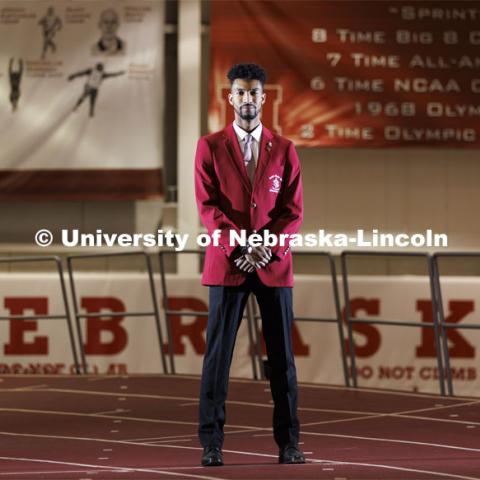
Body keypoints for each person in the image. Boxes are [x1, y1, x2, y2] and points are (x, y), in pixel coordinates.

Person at [195, 63, 305, 467]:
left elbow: (292, 212)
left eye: (253, 92)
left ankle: (289, 443)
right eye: (239, 92)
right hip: (227, 265)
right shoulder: (209, 146)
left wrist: (265, 249)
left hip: (273, 266)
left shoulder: (286, 149)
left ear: (264, 97)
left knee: (282, 360)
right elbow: (208, 207)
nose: (246, 99)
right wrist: (239, 247)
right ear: (230, 97)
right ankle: (212, 444)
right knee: (218, 360)